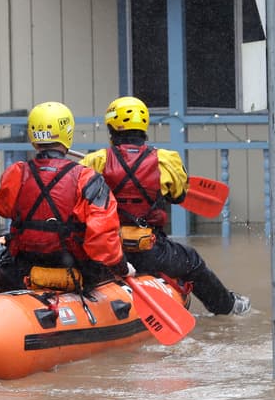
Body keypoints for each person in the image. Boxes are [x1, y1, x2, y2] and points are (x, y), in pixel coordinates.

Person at [79, 96, 250, 315]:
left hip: (108, 250)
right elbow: (177, 195)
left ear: (111, 127)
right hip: (150, 251)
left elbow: (81, 198)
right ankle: (227, 306)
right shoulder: (166, 160)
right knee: (193, 261)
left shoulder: (95, 161)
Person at [0, 101, 125, 295]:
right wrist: (122, 267)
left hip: (23, 267)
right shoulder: (87, 178)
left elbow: (2, 207)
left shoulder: (17, 172)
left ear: (34, 137)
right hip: (76, 269)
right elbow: (103, 239)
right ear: (67, 133)